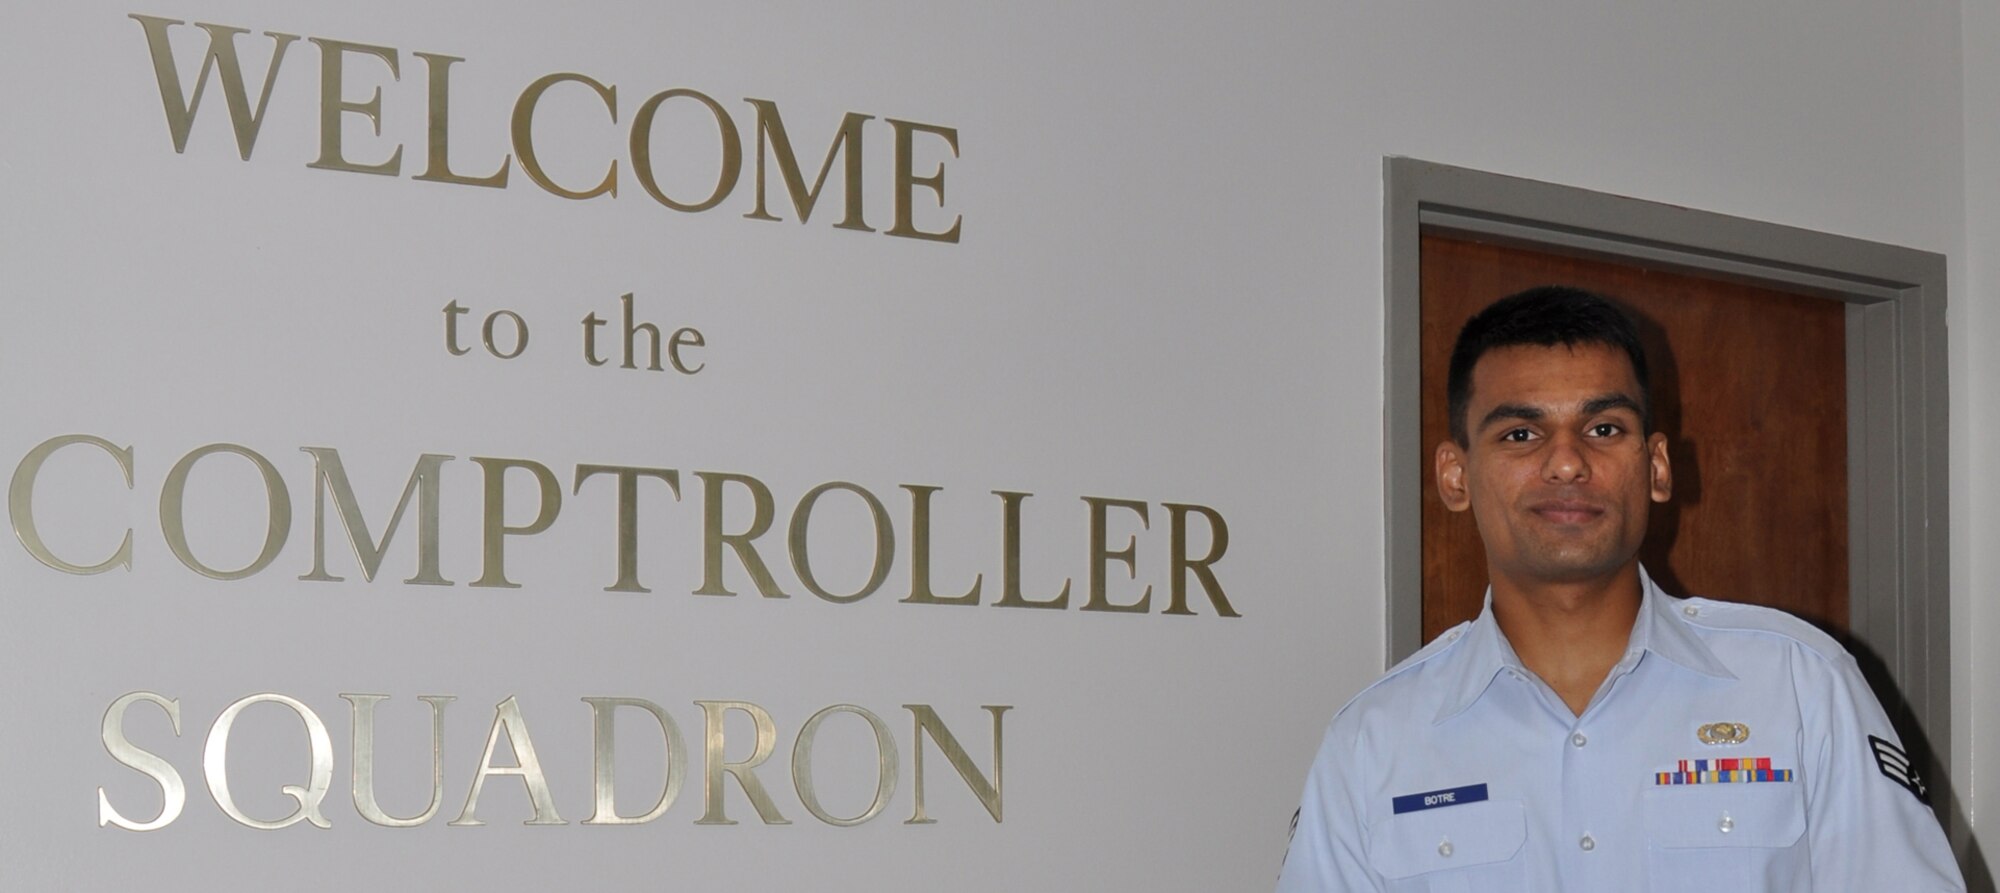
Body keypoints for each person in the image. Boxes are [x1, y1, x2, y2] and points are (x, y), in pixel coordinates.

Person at [1275, 286, 1964, 891]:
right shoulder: (1374, 741)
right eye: (1521, 433)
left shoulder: (1803, 685)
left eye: (1604, 428)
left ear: (1657, 466)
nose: (1568, 462)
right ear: (1455, 476)